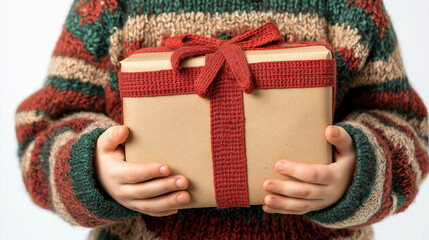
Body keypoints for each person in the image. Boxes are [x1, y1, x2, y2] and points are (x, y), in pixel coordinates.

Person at [15, 0, 428, 239]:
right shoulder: (106, 8)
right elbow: (41, 134)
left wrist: (359, 172)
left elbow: (409, 128)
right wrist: (94, 173)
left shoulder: (348, 7)